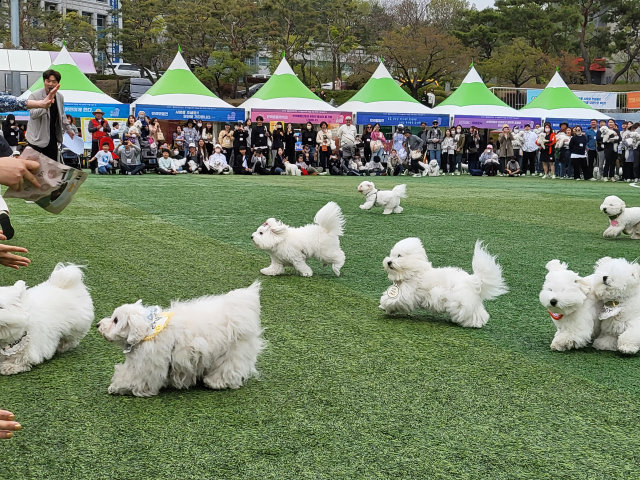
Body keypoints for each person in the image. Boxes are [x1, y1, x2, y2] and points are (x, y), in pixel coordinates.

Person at [27, 69, 75, 161]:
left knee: (51, 167)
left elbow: (62, 114)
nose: (50, 84)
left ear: (58, 84)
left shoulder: (60, 97)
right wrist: (45, 106)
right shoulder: (34, 96)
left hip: (52, 137)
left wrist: (68, 129)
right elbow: (33, 114)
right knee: (34, 167)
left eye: (54, 82)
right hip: (36, 138)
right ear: (44, 81)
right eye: (48, 81)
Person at [87, 108, 111, 173]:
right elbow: (90, 129)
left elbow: (109, 130)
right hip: (95, 139)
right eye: (97, 114)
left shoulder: (105, 121)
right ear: (95, 115)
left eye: (99, 114)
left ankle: (105, 166)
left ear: (101, 115)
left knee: (104, 153)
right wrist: (96, 128)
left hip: (103, 140)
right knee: (94, 153)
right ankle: (93, 168)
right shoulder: (92, 121)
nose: (98, 115)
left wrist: (105, 127)